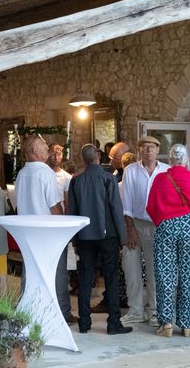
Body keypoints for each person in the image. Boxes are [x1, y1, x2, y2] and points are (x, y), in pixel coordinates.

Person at [68, 144, 132, 335]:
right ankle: (113, 323)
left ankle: (84, 323)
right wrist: (122, 237)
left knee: (86, 279)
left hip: (85, 236)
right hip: (108, 235)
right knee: (111, 278)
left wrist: (74, 238)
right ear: (97, 156)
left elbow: (72, 212)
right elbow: (115, 209)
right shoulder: (108, 179)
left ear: (83, 159)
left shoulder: (76, 181)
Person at [15, 134, 78, 324]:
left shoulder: (21, 173)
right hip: (48, 231)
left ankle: (27, 311)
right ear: (34, 151)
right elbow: (55, 206)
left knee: (30, 271)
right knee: (57, 271)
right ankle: (62, 312)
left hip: (28, 231)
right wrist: (63, 227)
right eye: (43, 146)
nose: (47, 150)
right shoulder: (45, 172)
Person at [146, 144, 190, 337]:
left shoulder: (161, 179)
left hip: (166, 227)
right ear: (186, 160)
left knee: (165, 275)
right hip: (189, 228)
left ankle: (166, 324)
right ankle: (187, 324)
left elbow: (151, 207)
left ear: (170, 160)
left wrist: (163, 221)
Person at [121, 136, 169, 327]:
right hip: (135, 224)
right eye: (145, 147)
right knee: (130, 268)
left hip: (156, 226)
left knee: (154, 270)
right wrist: (130, 228)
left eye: (153, 147)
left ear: (158, 150)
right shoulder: (131, 171)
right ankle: (135, 311)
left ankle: (155, 311)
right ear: (139, 150)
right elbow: (126, 202)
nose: (149, 150)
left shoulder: (166, 171)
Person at [92, 141, 131, 314]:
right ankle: (115, 299)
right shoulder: (115, 173)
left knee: (116, 267)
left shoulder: (126, 178)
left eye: (113, 157)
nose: (110, 160)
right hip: (114, 225)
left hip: (121, 225)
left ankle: (116, 300)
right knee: (114, 267)